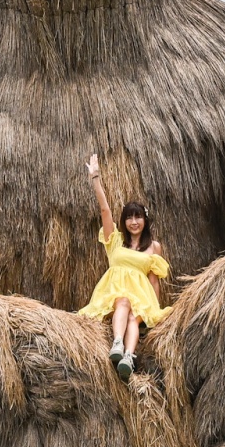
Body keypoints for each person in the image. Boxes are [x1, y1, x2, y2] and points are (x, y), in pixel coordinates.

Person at [77, 154, 171, 381]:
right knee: (123, 302)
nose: (134, 221)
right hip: (115, 292)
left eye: (138, 217)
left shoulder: (154, 247)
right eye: (129, 218)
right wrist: (96, 179)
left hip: (143, 297)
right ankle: (118, 345)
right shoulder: (115, 241)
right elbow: (105, 211)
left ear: (145, 221)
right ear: (124, 222)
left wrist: (154, 310)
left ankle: (129, 356)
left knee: (133, 317)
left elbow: (154, 280)